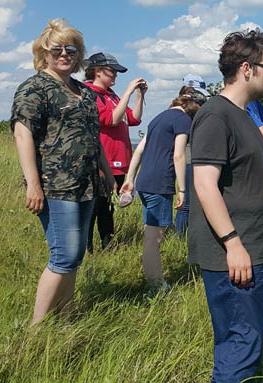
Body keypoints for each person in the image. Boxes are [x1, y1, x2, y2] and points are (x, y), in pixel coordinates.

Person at [188, 28, 263, 382]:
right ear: (246, 68)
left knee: (245, 341)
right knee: (241, 344)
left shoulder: (242, 114)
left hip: (253, 250)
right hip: (235, 254)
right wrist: (233, 243)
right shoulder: (216, 114)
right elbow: (204, 184)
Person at [10, 19, 118, 325]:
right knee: (65, 255)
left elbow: (93, 137)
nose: (64, 54)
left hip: (86, 185)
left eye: (71, 48)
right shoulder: (35, 87)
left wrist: (108, 176)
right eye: (56, 48)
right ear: (43, 53)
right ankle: (36, 327)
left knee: (76, 257)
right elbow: (22, 134)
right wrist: (33, 183)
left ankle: (66, 315)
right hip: (54, 186)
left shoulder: (84, 92)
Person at [120, 86, 204, 294]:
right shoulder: (183, 120)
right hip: (160, 182)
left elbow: (139, 149)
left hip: (145, 181)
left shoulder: (160, 117)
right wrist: (183, 190)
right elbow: (178, 155)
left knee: (152, 233)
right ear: (194, 105)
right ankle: (156, 285)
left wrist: (130, 179)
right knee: (154, 238)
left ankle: (155, 281)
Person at [83, 52, 146, 252]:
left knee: (108, 208)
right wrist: (128, 91)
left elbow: (134, 119)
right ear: (97, 71)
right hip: (104, 161)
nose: (115, 76)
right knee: (96, 207)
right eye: (112, 71)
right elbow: (110, 119)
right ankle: (88, 248)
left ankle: (107, 244)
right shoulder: (89, 93)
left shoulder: (111, 95)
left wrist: (139, 95)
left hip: (120, 161)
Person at [175, 74, 210, 236]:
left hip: (194, 157)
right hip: (188, 158)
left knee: (193, 202)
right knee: (187, 204)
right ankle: (180, 237)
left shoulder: (183, 109)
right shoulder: (184, 111)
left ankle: (187, 235)